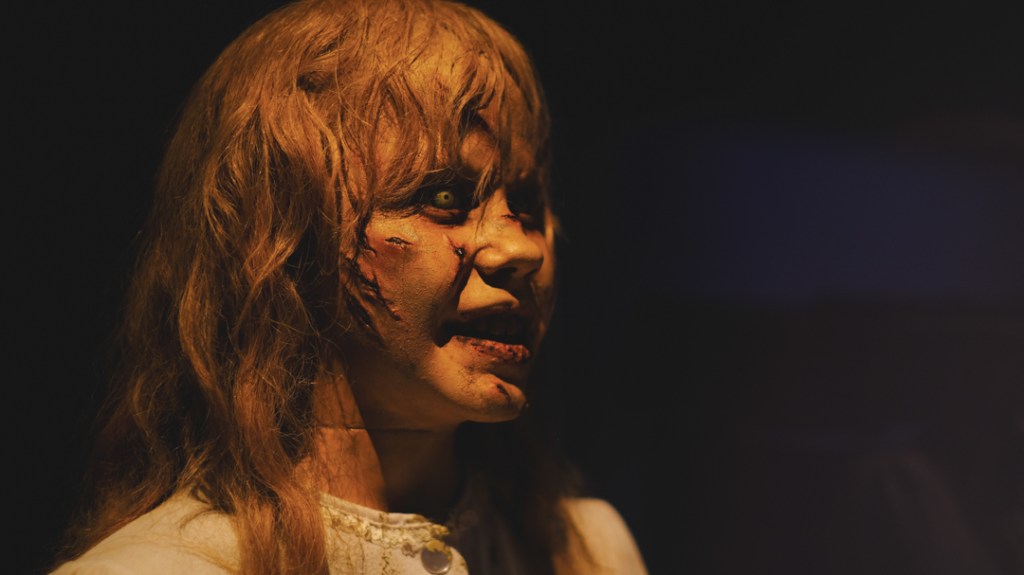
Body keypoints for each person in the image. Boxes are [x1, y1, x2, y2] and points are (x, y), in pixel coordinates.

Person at [49, 0, 648, 573]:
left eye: (527, 203)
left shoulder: (586, 555)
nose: (522, 249)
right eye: (443, 196)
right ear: (283, 240)